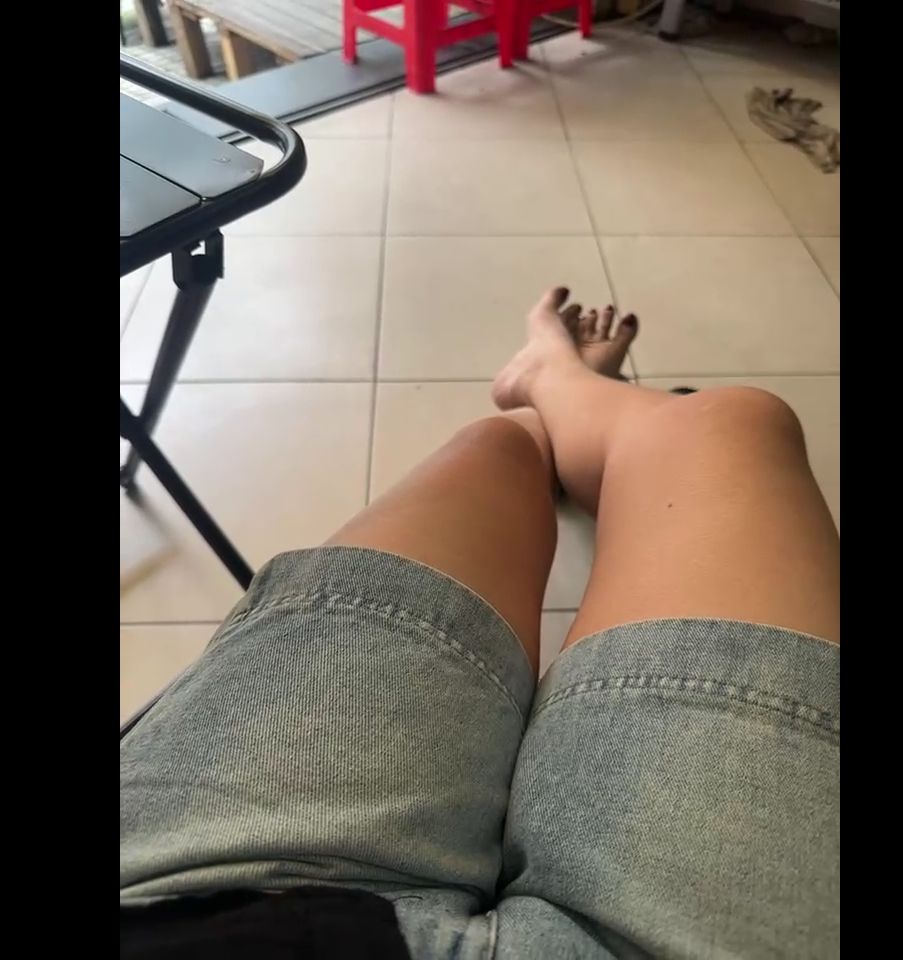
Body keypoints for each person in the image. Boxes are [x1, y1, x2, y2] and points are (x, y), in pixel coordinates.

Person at [120, 288, 840, 959]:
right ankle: (562, 385)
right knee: (729, 423)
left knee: (497, 448)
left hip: (187, 907)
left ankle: (553, 397)